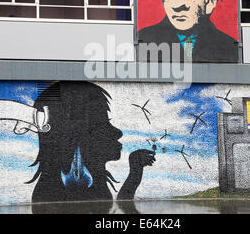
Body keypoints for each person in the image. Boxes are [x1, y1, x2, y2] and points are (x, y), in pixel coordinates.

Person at [26, 81, 155, 205]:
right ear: (74, 134)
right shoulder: (55, 192)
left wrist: (135, 172)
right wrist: (134, 174)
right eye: (101, 123)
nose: (117, 132)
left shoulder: (90, 180)